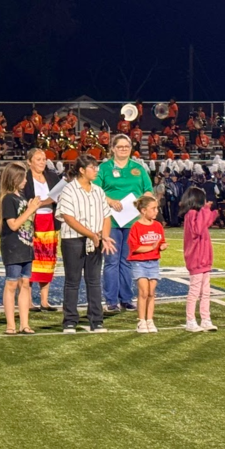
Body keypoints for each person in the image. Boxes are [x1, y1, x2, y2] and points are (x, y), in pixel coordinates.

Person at [55, 154, 115, 333]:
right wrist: (91, 234)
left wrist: (104, 236)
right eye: (92, 167)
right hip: (73, 240)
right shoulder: (69, 190)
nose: (96, 171)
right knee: (72, 281)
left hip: (95, 239)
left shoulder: (98, 191)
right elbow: (68, 218)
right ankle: (70, 320)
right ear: (81, 170)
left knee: (94, 281)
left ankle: (96, 320)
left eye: (96, 167)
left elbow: (106, 216)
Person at [95, 135, 154, 313]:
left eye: (126, 146)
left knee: (127, 261)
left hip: (133, 221)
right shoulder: (104, 168)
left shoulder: (138, 168)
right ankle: (111, 300)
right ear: (112, 148)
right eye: (119, 146)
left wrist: (142, 203)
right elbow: (95, 190)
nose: (123, 149)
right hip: (110, 220)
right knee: (112, 261)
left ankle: (126, 299)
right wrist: (110, 201)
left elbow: (148, 191)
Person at [0, 162, 41, 335]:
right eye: (23, 178)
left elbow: (27, 222)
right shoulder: (8, 199)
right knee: (11, 283)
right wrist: (30, 210)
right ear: (15, 179)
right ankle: (11, 325)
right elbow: (14, 224)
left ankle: (25, 324)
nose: (26, 181)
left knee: (25, 284)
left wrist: (32, 211)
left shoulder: (21, 197)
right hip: (13, 247)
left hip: (26, 245)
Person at [24, 148, 62, 311]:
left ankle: (44, 301)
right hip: (31, 222)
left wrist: (46, 202)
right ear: (29, 162)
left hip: (50, 222)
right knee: (31, 260)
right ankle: (28, 301)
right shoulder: (24, 178)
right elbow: (25, 200)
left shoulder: (52, 177)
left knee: (48, 260)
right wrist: (45, 202)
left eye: (44, 159)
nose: (42, 162)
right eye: (38, 159)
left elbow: (59, 196)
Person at [179, 185, 218, 332]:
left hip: (204, 260)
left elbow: (205, 223)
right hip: (196, 260)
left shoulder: (197, 214)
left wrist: (212, 212)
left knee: (206, 292)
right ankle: (190, 320)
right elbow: (198, 229)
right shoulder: (191, 214)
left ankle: (205, 319)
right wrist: (206, 210)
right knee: (195, 291)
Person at [127, 194, 167, 333]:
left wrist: (162, 246)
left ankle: (150, 320)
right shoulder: (136, 227)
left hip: (154, 262)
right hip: (139, 263)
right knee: (143, 292)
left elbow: (161, 242)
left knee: (151, 292)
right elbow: (135, 247)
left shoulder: (157, 226)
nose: (156, 211)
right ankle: (141, 321)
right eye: (153, 208)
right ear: (143, 210)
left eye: (157, 208)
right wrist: (152, 247)